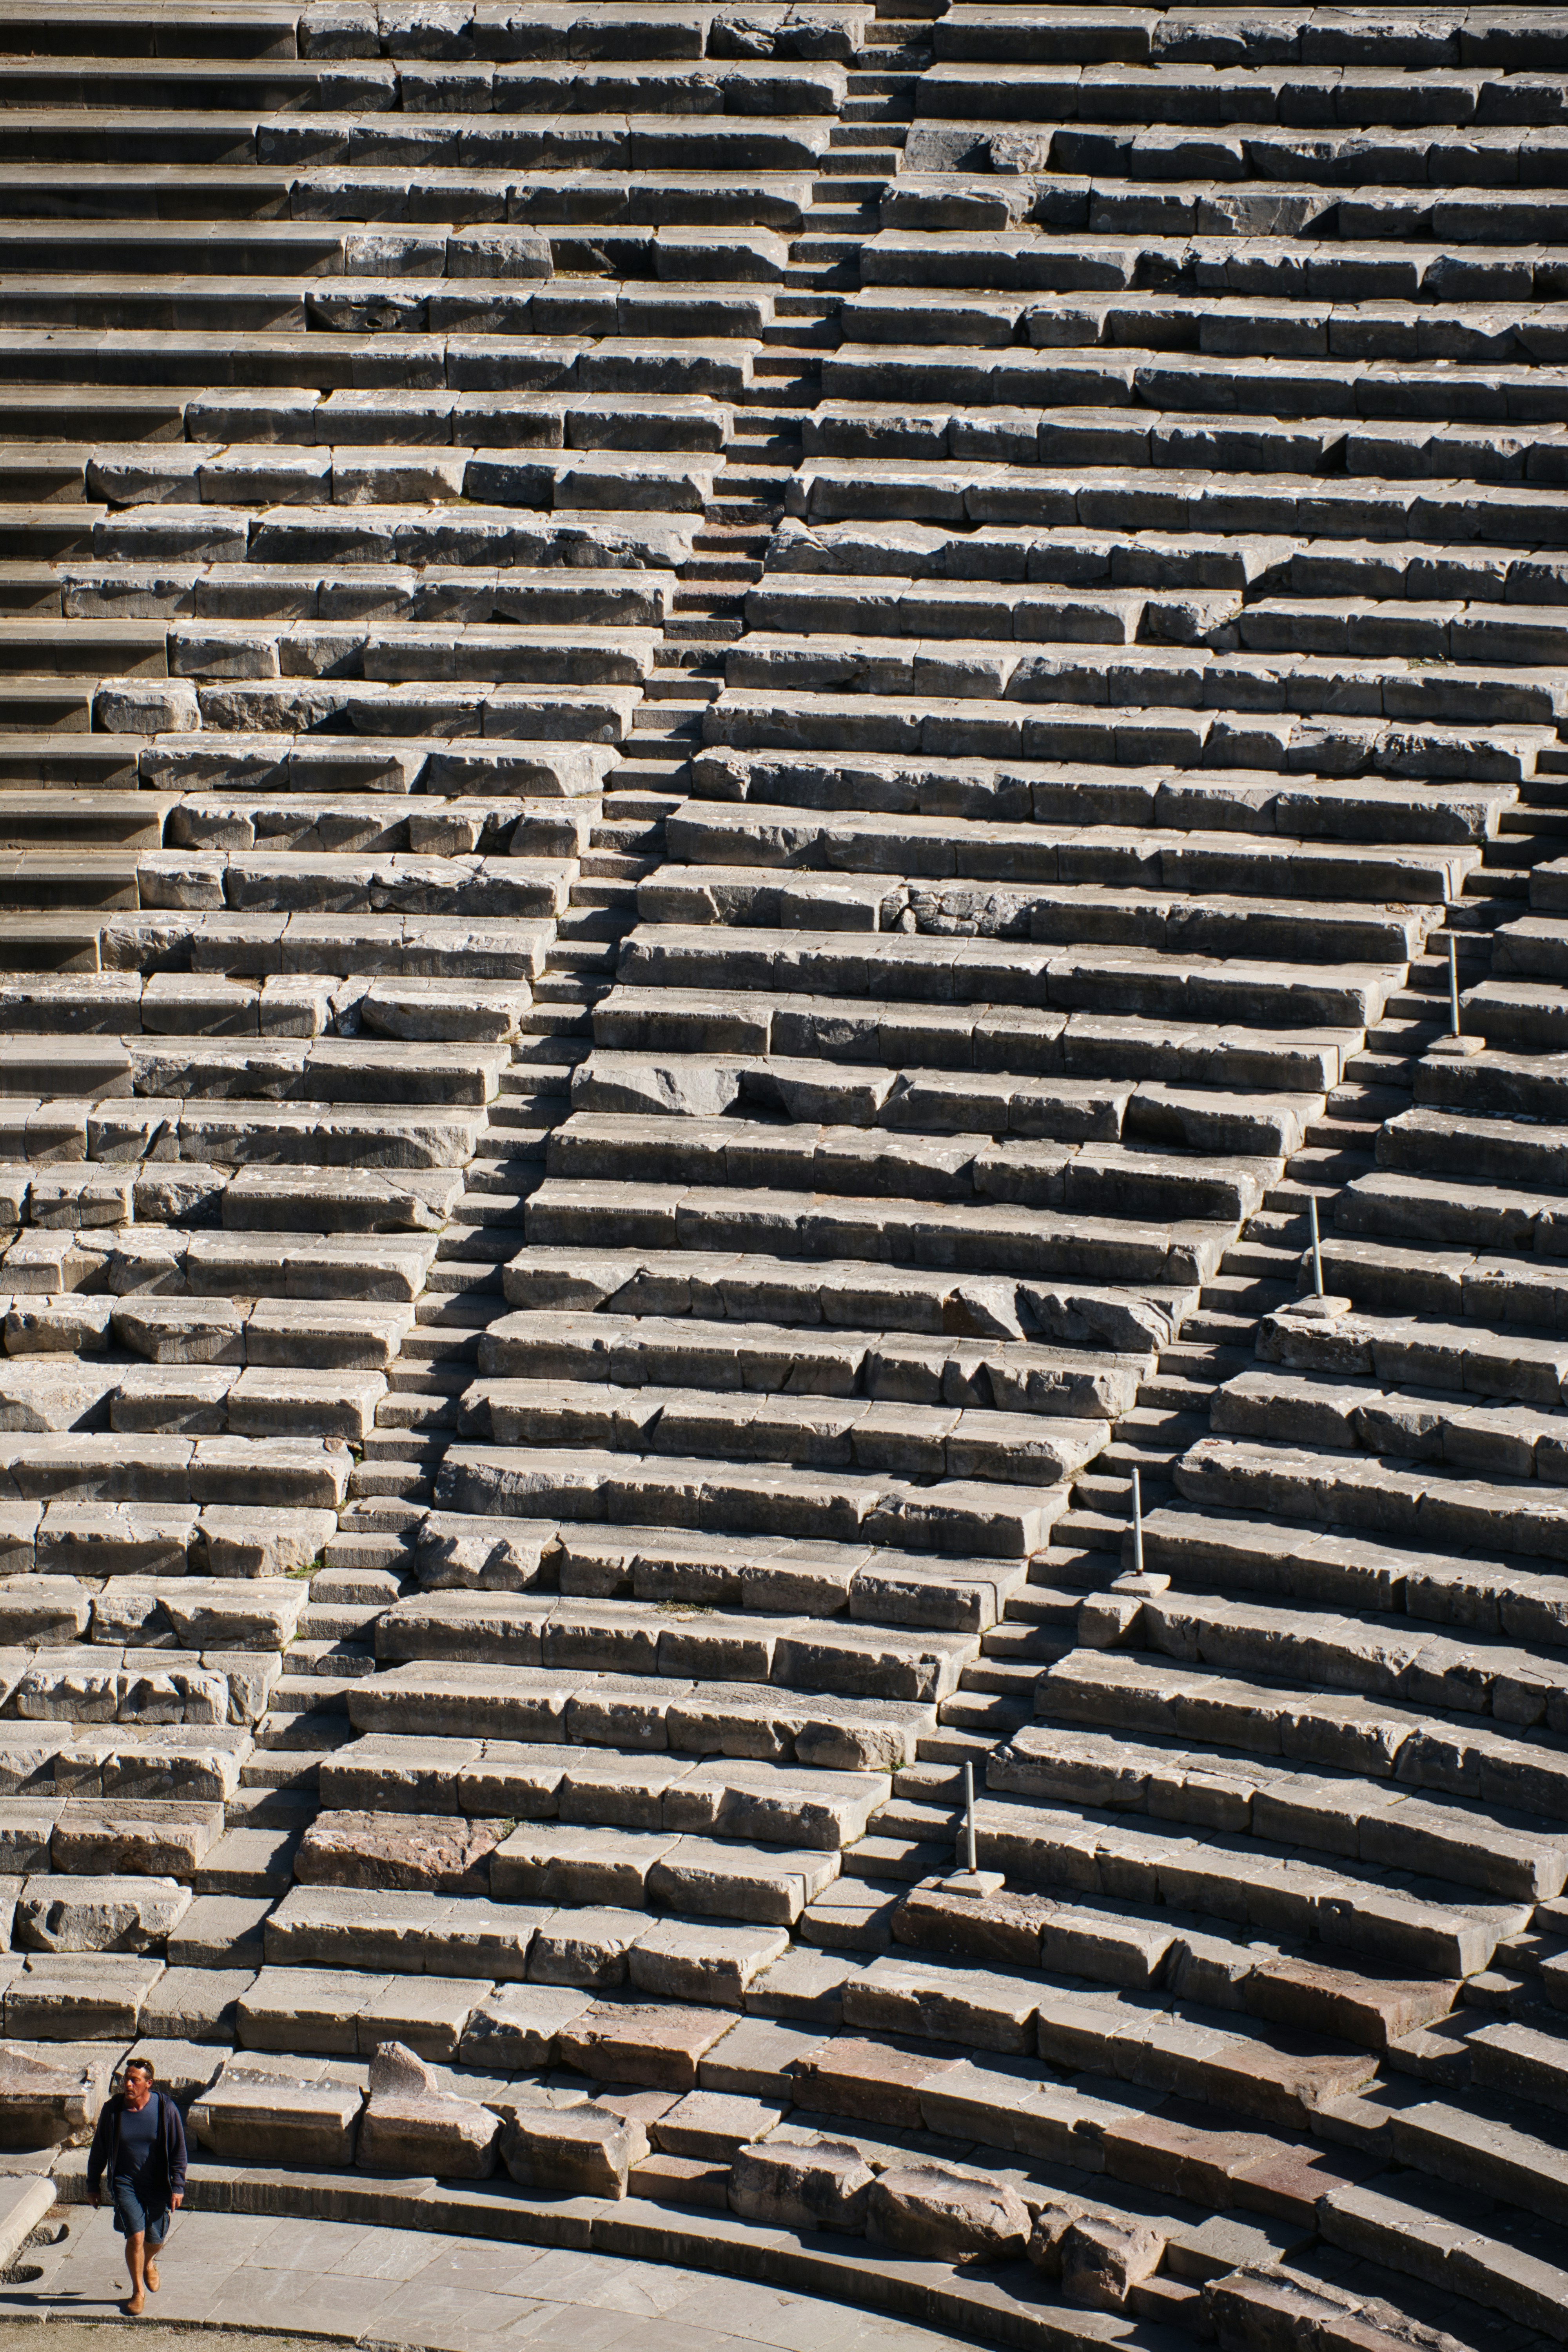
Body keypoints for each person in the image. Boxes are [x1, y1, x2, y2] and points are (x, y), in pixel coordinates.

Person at [86, 2058, 187, 2317]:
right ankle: (138, 2292)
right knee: (137, 2236)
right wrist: (93, 2184)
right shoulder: (113, 2111)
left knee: (155, 2240)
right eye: (126, 2079)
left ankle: (149, 2263)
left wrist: (178, 2185)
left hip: (156, 2184)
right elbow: (98, 2151)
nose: (128, 2084)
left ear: (148, 2084)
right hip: (125, 2182)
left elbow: (178, 2150)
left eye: (135, 2080)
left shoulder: (165, 2109)